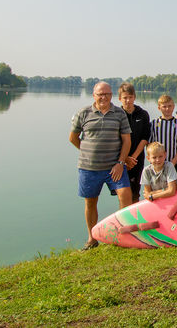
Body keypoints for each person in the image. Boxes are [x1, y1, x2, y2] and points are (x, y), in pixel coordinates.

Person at [69, 81, 132, 250]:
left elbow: (127, 140)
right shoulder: (84, 113)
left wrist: (120, 162)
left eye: (107, 94)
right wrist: (87, 151)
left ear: (112, 95)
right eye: (100, 94)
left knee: (125, 194)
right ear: (94, 95)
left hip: (114, 166)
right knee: (91, 202)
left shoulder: (119, 113)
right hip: (89, 168)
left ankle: (122, 235)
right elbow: (73, 137)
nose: (103, 97)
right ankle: (92, 238)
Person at [117, 82, 150, 204]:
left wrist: (133, 158)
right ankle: (123, 222)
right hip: (120, 160)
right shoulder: (116, 115)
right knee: (123, 195)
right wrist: (125, 159)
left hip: (136, 160)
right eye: (125, 98)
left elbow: (145, 138)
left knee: (135, 194)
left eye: (130, 97)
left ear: (134, 97)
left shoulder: (143, 114)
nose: (128, 100)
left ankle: (135, 220)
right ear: (120, 98)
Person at [149, 95, 177, 178]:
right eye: (164, 106)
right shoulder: (154, 124)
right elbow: (149, 145)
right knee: (157, 188)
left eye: (169, 106)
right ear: (159, 108)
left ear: (173, 107)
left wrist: (173, 162)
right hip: (157, 163)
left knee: (174, 188)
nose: (167, 109)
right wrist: (153, 159)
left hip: (174, 163)